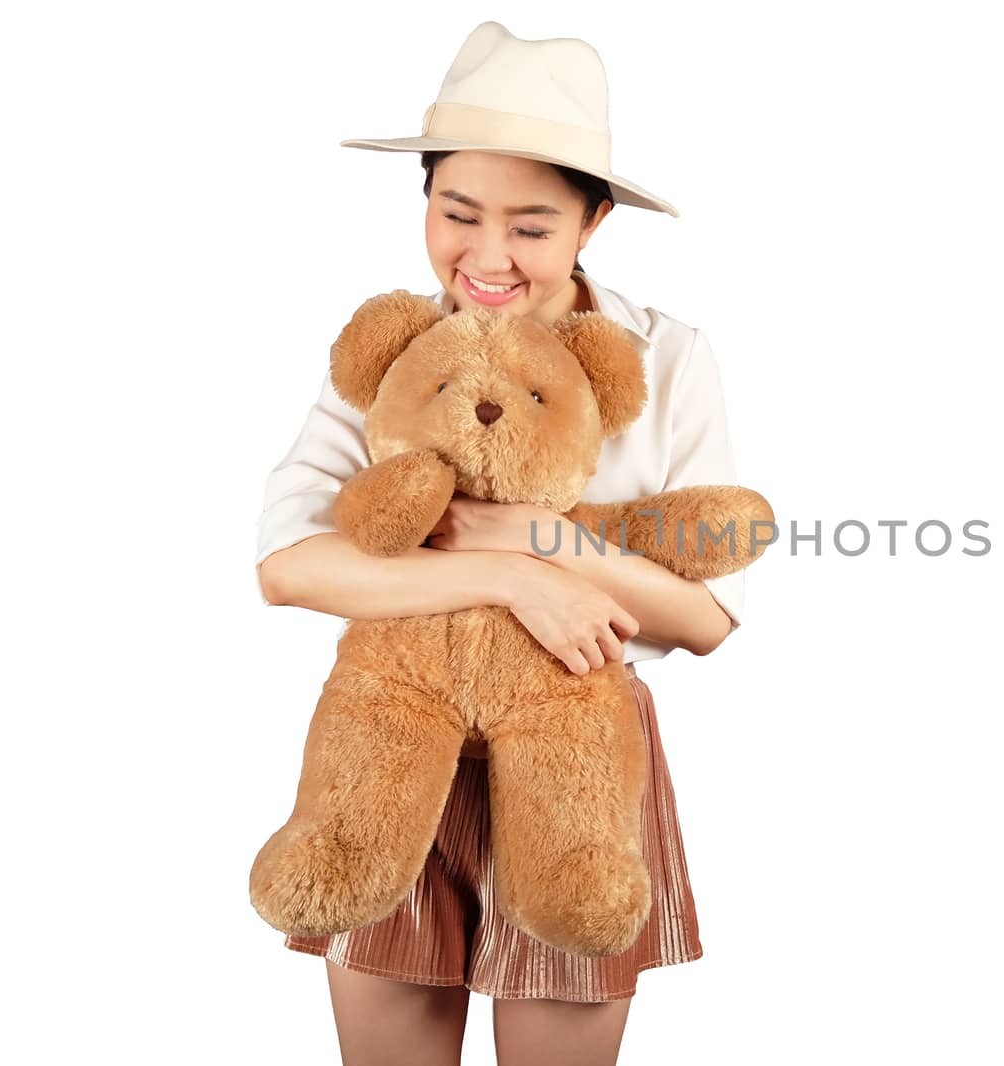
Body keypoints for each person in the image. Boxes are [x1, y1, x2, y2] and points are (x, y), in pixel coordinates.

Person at [253, 23, 746, 1066]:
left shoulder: (666, 357)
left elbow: (703, 618)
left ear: (592, 222)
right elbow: (289, 566)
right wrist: (518, 576)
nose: (486, 256)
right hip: (392, 744)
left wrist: (537, 533)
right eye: (456, 213)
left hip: (577, 758)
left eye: (530, 225)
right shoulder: (393, 359)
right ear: (424, 203)